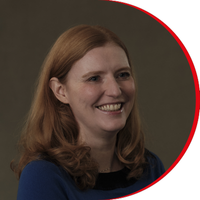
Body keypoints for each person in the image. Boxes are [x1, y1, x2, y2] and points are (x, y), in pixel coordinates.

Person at [11, 24, 165, 200]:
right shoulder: (43, 176)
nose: (115, 90)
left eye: (122, 75)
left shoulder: (151, 168)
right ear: (60, 91)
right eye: (94, 78)